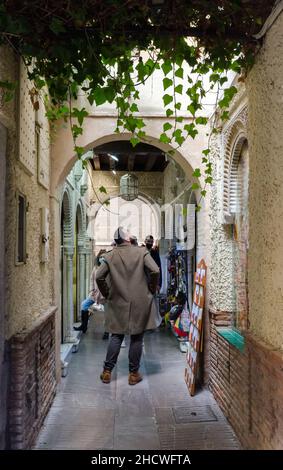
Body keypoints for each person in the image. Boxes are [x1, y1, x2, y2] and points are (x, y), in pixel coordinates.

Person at [96, 226, 160, 385]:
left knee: (116, 335)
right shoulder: (141, 252)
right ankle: (133, 374)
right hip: (140, 302)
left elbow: (99, 276)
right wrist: (151, 288)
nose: (131, 232)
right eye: (128, 231)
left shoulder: (109, 256)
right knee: (137, 337)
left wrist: (107, 293)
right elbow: (155, 270)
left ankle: (106, 372)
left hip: (117, 301)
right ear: (126, 238)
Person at [74, 249, 106, 333]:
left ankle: (107, 332)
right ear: (98, 257)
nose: (102, 258)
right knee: (84, 305)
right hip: (95, 293)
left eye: (104, 257)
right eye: (101, 257)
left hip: (105, 295)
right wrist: (91, 290)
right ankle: (83, 326)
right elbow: (92, 279)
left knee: (108, 313)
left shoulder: (108, 268)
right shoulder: (95, 268)